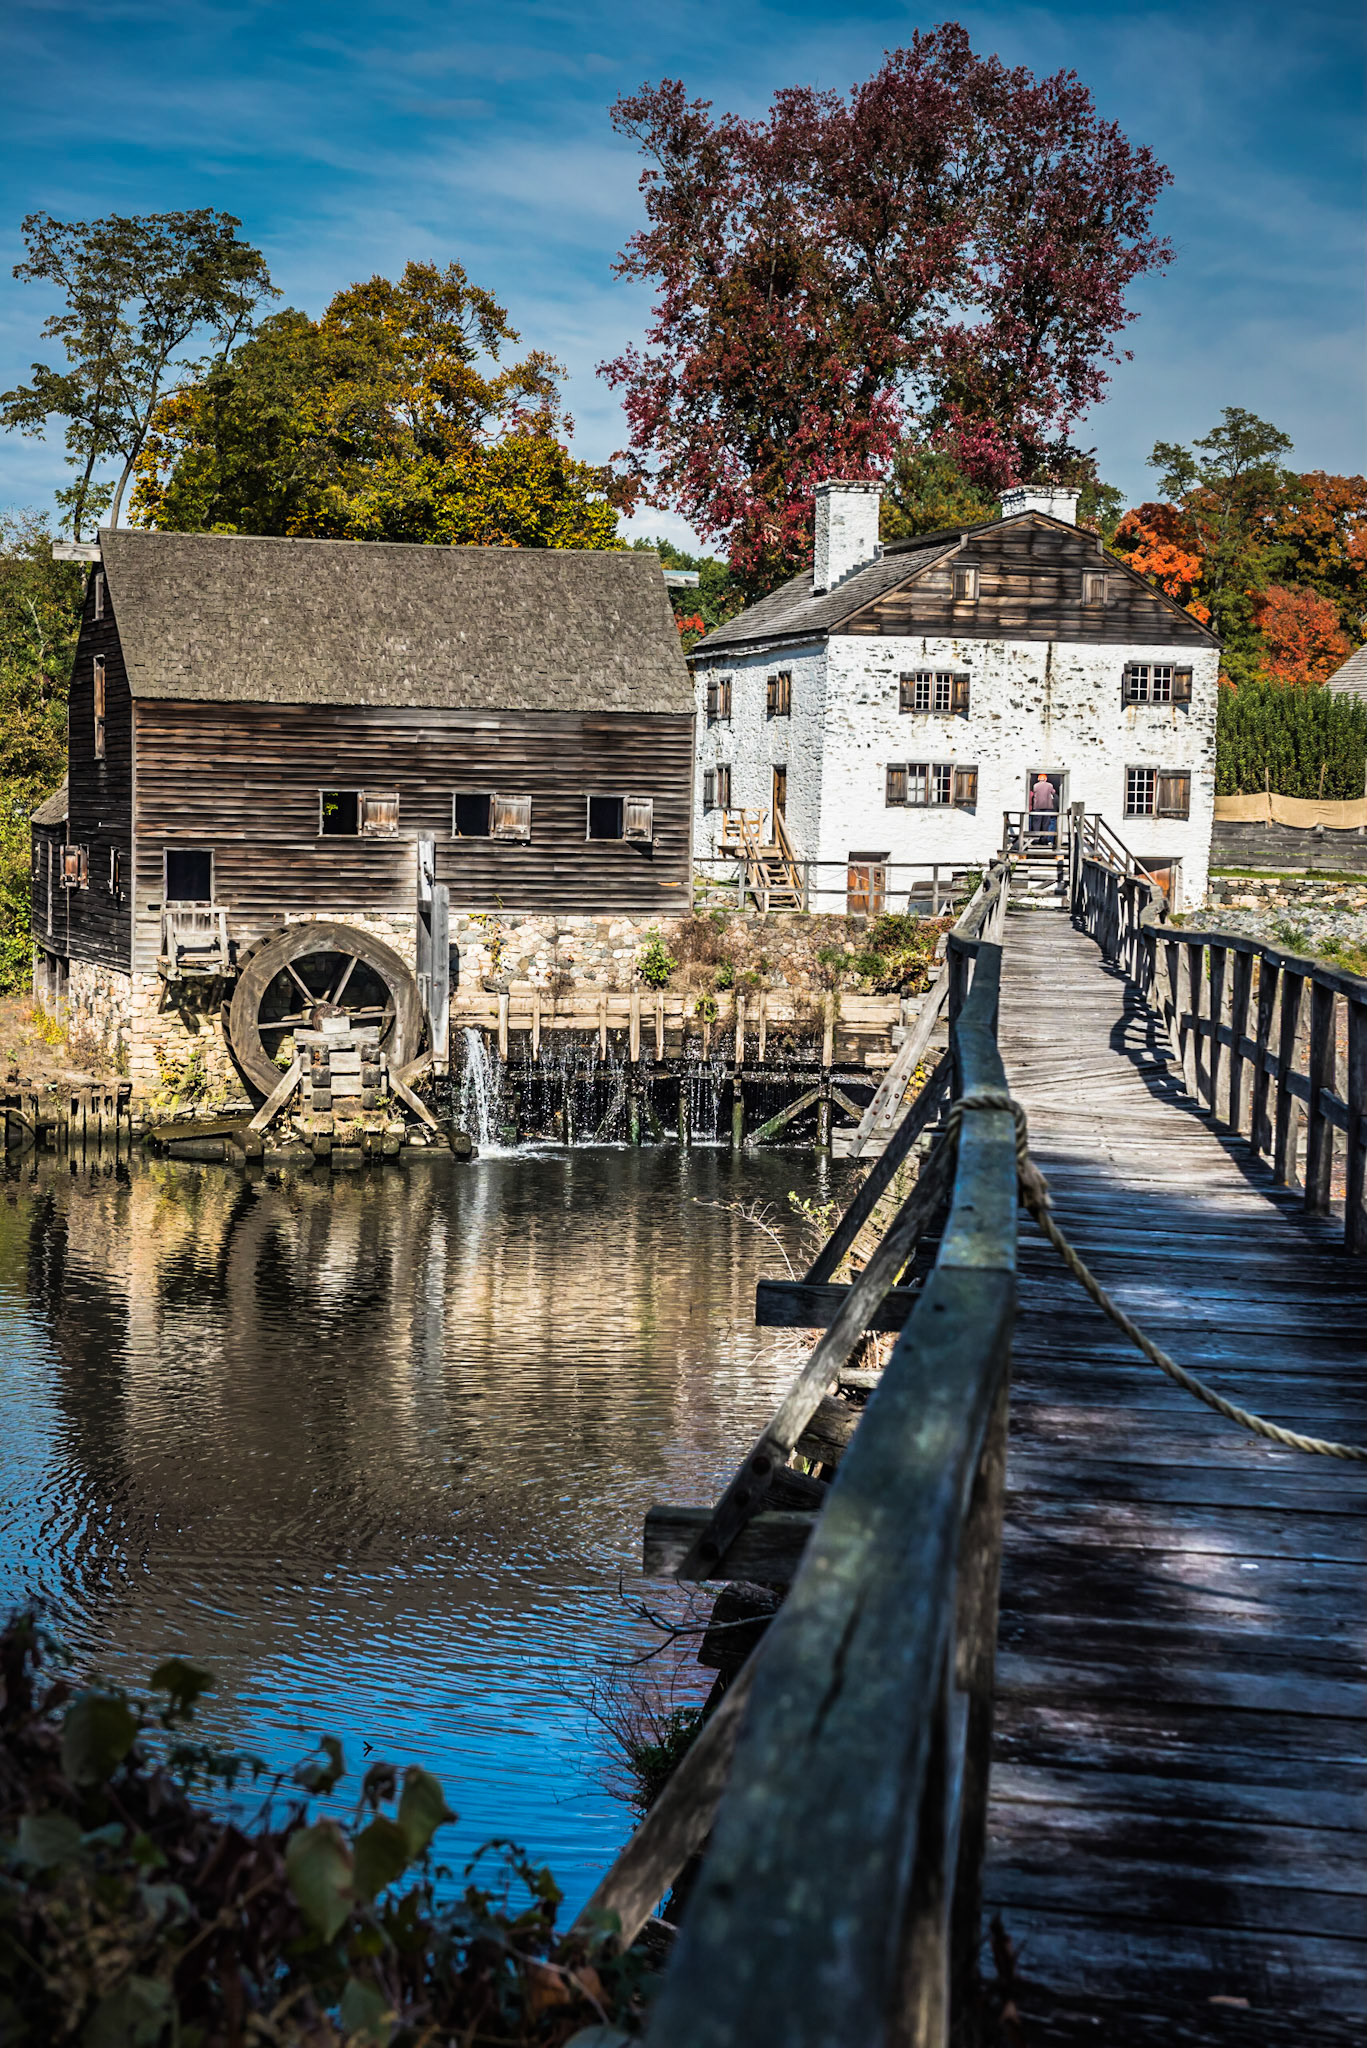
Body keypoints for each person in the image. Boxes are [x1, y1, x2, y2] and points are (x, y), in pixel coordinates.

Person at [1029, 772, 1059, 847]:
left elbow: (1034, 793)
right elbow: (1053, 792)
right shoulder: (1050, 785)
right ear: (1045, 779)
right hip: (1047, 807)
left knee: (1036, 824)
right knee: (1045, 824)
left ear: (1038, 779)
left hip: (1037, 807)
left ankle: (1035, 839)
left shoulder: (1035, 785)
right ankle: (1044, 839)